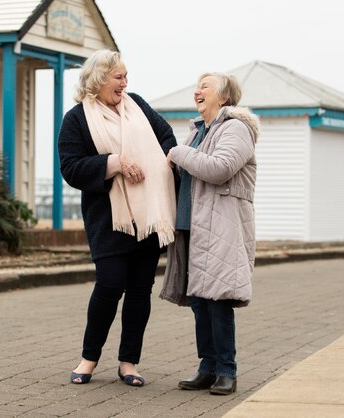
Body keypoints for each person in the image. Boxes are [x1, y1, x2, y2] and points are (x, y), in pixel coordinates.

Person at [58, 50, 177, 387]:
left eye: (126, 76)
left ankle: (129, 362)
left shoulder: (137, 104)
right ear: (98, 79)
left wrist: (163, 162)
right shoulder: (76, 118)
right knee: (109, 285)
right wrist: (114, 162)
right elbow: (71, 167)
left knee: (140, 291)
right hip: (109, 219)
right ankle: (89, 358)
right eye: (119, 77)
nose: (125, 83)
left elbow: (165, 136)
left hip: (149, 216)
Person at [163, 72, 258, 395]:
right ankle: (207, 366)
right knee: (200, 303)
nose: (197, 91)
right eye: (197, 86)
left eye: (205, 86)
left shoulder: (236, 128)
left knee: (219, 300)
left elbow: (219, 169)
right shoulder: (197, 131)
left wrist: (177, 153)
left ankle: (227, 371)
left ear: (225, 97)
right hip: (192, 226)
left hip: (221, 227)